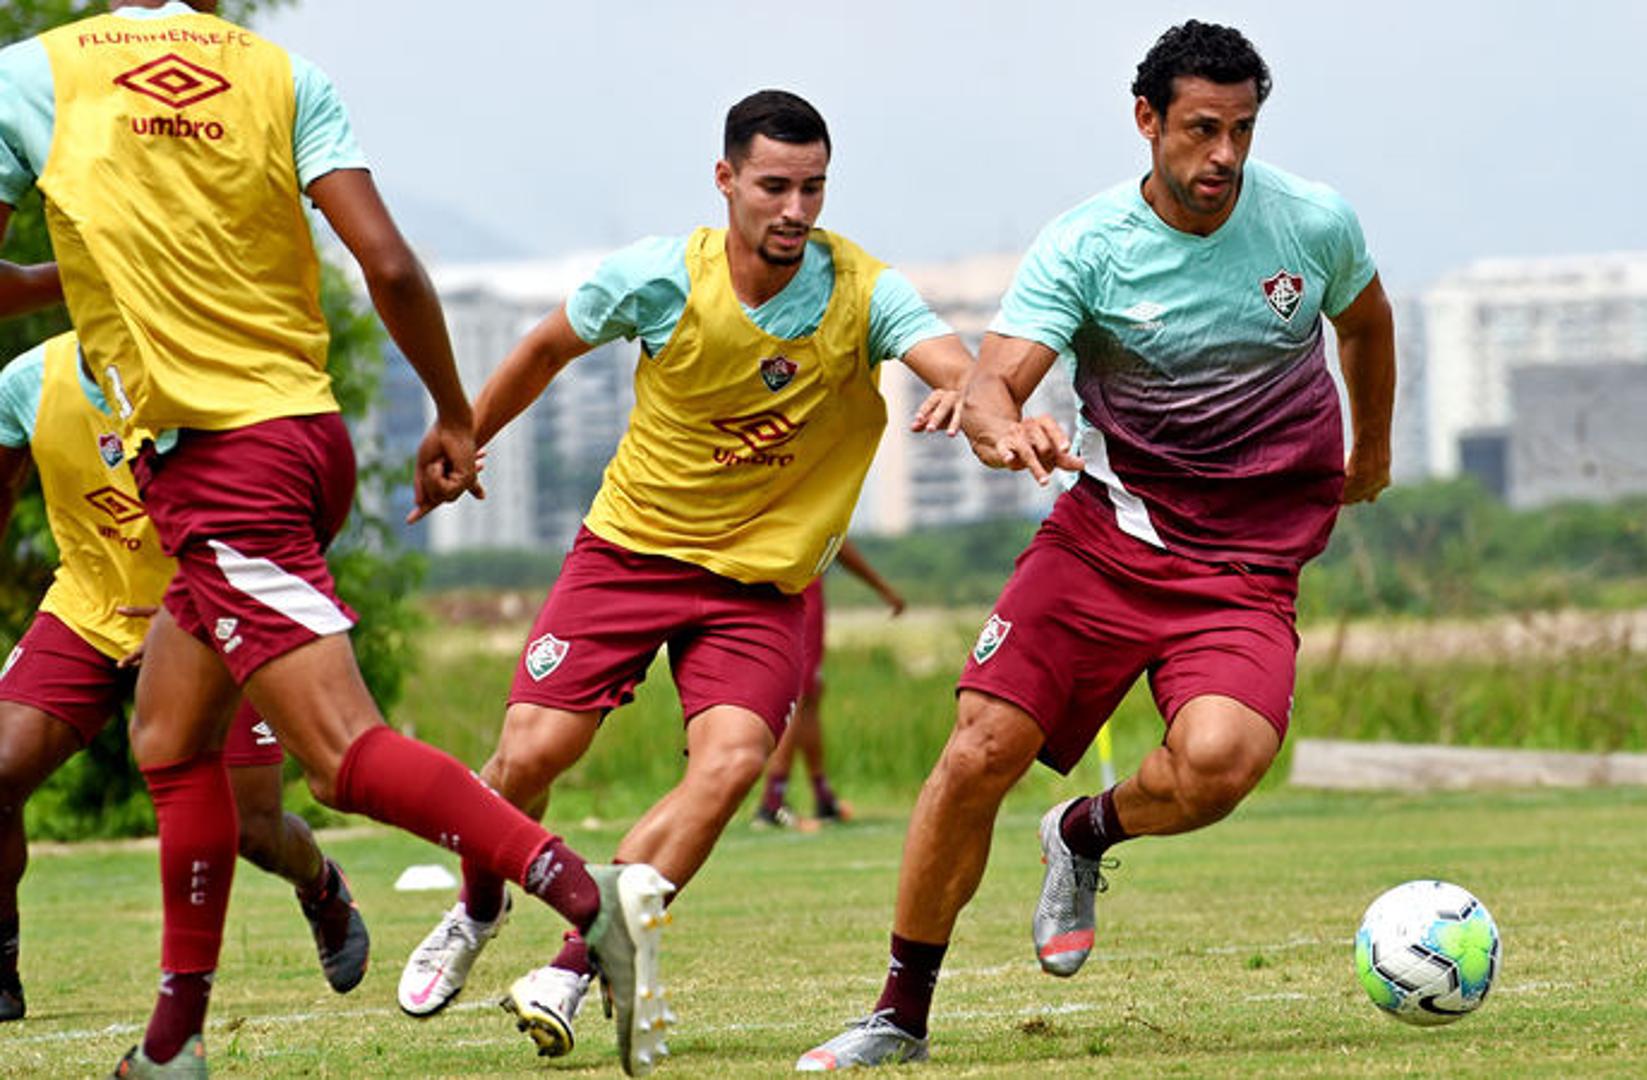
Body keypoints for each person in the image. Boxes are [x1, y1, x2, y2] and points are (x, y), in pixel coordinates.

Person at [0, 5, 663, 1076]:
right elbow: (390, 267)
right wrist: (451, 411)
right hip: (301, 441)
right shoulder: (277, 72)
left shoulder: (31, 76)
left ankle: (587, 903)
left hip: (222, 472)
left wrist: (76, 279)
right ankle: (174, 1044)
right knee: (171, 743)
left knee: (344, 759)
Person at [798, 21, 1396, 1070]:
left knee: (1222, 764)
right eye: (1202, 130)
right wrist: (1005, 430)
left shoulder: (1312, 225)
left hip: (1243, 570)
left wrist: (1374, 452)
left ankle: (1083, 834)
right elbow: (989, 386)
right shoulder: (1087, 245)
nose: (1224, 157)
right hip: (1107, 539)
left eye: (1242, 130)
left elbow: (1369, 325)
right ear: (1147, 121)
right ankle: (899, 1014)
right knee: (980, 749)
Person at [397, 89, 970, 1065]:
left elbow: (950, 359)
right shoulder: (661, 278)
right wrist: (463, 433)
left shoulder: (862, 291)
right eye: (774, 186)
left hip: (757, 590)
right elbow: (541, 349)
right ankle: (477, 913)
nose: (795, 210)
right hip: (630, 552)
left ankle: (573, 966)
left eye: (814, 189)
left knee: (733, 765)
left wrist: (974, 394)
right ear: (727, 181)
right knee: (526, 759)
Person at [0, 330, 372, 1022]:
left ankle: (321, 887)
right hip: (87, 609)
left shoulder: (196, 365)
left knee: (251, 830)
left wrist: (183, 614)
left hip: (208, 605)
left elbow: (273, 488)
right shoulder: (25, 384)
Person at [752, 540, 905, 830]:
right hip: (797, 587)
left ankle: (822, 797)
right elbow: (837, 541)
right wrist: (883, 588)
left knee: (811, 695)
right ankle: (773, 800)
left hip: (784, 583)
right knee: (796, 694)